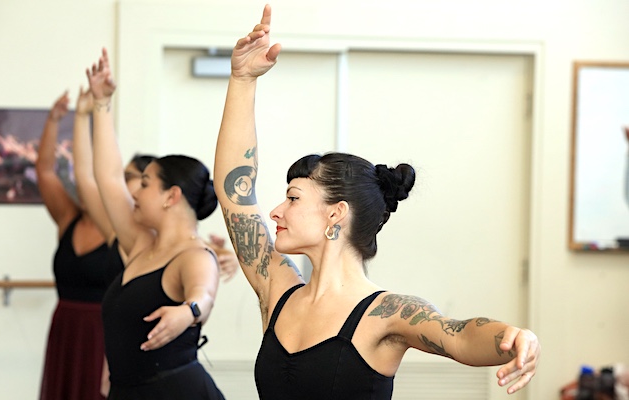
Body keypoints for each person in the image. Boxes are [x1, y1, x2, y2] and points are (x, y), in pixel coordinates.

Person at [213, 5, 542, 399]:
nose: (275, 211)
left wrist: (513, 336)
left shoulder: (387, 314)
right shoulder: (277, 288)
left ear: (336, 213)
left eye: (293, 198)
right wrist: (242, 79)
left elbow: (457, 335)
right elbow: (235, 193)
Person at [71, 86, 240, 396]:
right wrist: (102, 103)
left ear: (171, 196)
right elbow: (107, 177)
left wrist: (188, 311)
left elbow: (203, 295)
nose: (134, 192)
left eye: (145, 184)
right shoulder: (139, 242)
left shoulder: (197, 256)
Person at [36, 92, 110, 400]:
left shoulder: (120, 229)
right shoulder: (68, 218)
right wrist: (54, 120)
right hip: (65, 325)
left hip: (103, 333)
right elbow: (44, 171)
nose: (82, 186)